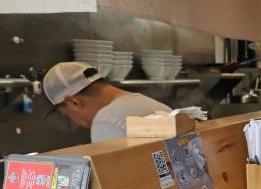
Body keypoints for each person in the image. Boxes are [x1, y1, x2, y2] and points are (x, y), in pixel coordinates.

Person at [43, 61, 171, 142]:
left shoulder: (106, 122)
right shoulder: (149, 103)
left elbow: (111, 180)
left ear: (73, 102)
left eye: (68, 115)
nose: (74, 122)